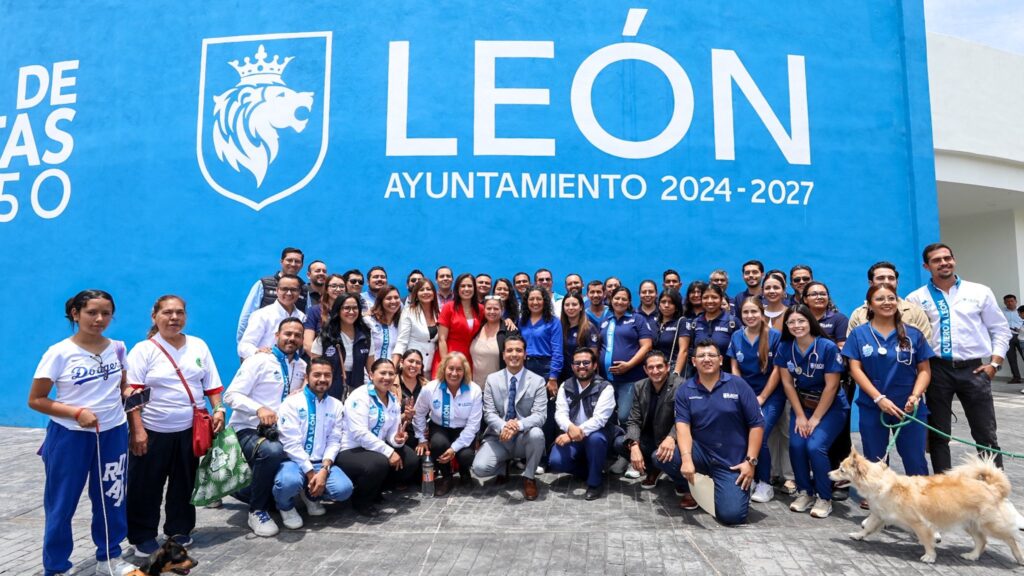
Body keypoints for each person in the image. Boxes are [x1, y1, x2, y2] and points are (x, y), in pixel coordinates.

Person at [29, 290, 136, 576]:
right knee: (62, 504)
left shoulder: (118, 348)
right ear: (75, 314)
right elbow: (36, 399)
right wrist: (76, 413)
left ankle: (109, 558)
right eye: (91, 312)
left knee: (112, 499)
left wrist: (129, 392)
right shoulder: (59, 353)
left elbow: (122, 384)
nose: (99, 319)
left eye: (106, 313)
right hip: (69, 437)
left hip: (113, 433)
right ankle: (56, 567)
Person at [124, 295, 225, 556]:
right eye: (167, 312)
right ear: (154, 316)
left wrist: (219, 409)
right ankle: (143, 535)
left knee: (184, 482)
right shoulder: (143, 350)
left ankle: (179, 529)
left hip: (190, 430)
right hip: (152, 430)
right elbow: (131, 394)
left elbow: (212, 384)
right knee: (145, 485)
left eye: (179, 312)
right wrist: (137, 430)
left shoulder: (198, 345)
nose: (174, 318)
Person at [906, 243, 1011, 473]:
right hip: (937, 371)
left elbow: (1000, 329)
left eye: (947, 258)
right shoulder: (916, 298)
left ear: (954, 260)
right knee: (938, 434)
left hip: (974, 370)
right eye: (937, 260)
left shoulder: (979, 292)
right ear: (926, 266)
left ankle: (993, 486)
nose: (944, 263)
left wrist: (994, 364)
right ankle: (944, 487)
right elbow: (910, 338)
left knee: (985, 433)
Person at [654, 339, 764, 525]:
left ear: (720, 360)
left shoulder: (738, 385)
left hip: (730, 461)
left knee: (732, 516)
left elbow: (757, 424)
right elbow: (683, 426)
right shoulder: (685, 390)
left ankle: (726, 488)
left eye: (711, 355)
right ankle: (690, 486)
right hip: (701, 453)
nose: (706, 359)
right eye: (701, 356)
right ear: (693, 361)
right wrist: (687, 460)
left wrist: (750, 462)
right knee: (661, 456)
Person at [223, 317, 307, 537]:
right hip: (248, 429)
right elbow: (230, 395)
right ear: (276, 336)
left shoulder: (302, 367)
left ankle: (283, 500)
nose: (292, 338)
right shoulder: (258, 361)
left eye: (297, 335)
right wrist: (258, 409)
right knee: (272, 451)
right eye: (287, 333)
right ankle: (257, 510)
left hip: (280, 431)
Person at [843, 284, 934, 480]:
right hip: (872, 406)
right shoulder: (859, 334)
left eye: (891, 298)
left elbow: (924, 370)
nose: (887, 302)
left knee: (915, 461)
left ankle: (921, 498)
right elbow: (855, 369)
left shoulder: (913, 334)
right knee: (874, 463)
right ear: (869, 305)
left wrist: (915, 396)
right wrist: (878, 398)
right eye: (880, 299)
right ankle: (877, 497)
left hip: (908, 408)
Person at [775, 305, 848, 519]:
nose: (796, 325)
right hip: (803, 405)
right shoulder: (785, 347)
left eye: (801, 321)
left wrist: (815, 419)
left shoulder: (827, 347)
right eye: (792, 322)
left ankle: (824, 497)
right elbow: (787, 384)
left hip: (831, 407)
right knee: (797, 445)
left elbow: (832, 386)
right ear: (786, 325)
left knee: (815, 447)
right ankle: (805, 492)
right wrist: (800, 415)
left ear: (810, 322)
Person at [272, 357, 353, 529]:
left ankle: (311, 496)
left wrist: (324, 469)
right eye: (317, 375)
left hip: (320, 463)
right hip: (293, 462)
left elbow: (334, 441)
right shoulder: (291, 402)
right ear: (307, 377)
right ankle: (285, 506)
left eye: (327, 375)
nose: (322, 379)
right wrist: (310, 473)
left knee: (344, 490)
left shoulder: (336, 405)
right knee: (289, 482)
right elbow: (290, 444)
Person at [337, 359, 418, 517]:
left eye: (391, 374)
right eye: (382, 373)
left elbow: (391, 433)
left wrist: (397, 439)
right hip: (351, 449)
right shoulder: (359, 396)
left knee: (410, 460)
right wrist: (389, 451)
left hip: (376, 448)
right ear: (371, 375)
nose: (387, 377)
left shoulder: (393, 399)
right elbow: (359, 433)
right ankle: (361, 500)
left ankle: (376, 489)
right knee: (379, 462)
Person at [472, 335, 548, 500]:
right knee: (479, 468)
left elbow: (540, 415)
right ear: (503, 355)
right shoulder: (492, 380)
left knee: (537, 434)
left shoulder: (538, 381)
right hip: (499, 437)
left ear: (525, 354)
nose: (514, 354)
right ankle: (503, 466)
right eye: (510, 350)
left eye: (518, 350)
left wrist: (517, 425)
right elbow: (489, 413)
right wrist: (504, 426)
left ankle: (529, 477)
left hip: (523, 437)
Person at [726, 297, 783, 503]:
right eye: (746, 312)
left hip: (770, 394)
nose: (750, 316)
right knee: (741, 433)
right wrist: (745, 396)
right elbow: (735, 368)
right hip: (745, 394)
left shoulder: (775, 336)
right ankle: (746, 476)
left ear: (762, 313)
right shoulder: (736, 336)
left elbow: (777, 370)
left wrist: (762, 397)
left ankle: (764, 482)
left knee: (760, 434)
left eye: (754, 312)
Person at [549, 347, 617, 500]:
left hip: (597, 433)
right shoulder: (565, 386)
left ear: (594, 365)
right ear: (572, 366)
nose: (581, 366)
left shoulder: (605, 387)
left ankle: (595, 483)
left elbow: (599, 419)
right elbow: (560, 413)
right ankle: (592, 470)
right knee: (555, 462)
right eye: (577, 363)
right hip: (572, 432)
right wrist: (570, 428)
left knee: (595, 439)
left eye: (586, 363)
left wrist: (572, 434)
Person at [413, 352, 483, 497]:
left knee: (466, 456)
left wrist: (453, 449)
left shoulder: (474, 390)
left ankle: (464, 472)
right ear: (443, 369)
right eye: (451, 368)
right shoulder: (430, 388)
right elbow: (418, 413)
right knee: (438, 444)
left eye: (459, 369)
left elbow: (473, 426)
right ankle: (446, 477)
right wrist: (422, 438)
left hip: (464, 429)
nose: (454, 373)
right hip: (439, 427)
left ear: (465, 371)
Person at [617, 351, 683, 487]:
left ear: (667, 367)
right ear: (645, 370)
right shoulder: (639, 386)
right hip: (649, 438)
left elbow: (684, 418)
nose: (655, 371)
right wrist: (633, 445)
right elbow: (634, 419)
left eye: (659, 366)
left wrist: (672, 437)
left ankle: (680, 479)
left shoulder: (681, 385)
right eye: (651, 367)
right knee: (619, 443)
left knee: (657, 456)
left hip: (673, 441)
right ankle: (653, 469)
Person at [598, 286, 653, 427]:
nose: (620, 302)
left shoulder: (637, 319)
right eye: (617, 298)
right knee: (607, 416)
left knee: (624, 416)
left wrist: (629, 365)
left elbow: (647, 346)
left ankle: (628, 440)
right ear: (611, 300)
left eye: (624, 299)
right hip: (606, 379)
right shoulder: (606, 320)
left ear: (629, 302)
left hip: (630, 378)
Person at [236, 247, 307, 344]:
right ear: (281, 261)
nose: (293, 264)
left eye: (297, 261)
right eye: (289, 260)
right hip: (262, 348)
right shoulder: (264, 284)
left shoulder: (305, 290)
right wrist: (244, 347)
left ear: (302, 265)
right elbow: (246, 317)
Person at [847, 261, 932, 339]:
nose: (887, 282)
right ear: (871, 283)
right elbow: (852, 346)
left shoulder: (915, 312)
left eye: (891, 278)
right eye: (881, 278)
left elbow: (925, 345)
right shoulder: (858, 315)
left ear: (897, 283)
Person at [238, 274, 306, 360]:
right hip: (264, 365)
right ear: (277, 290)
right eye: (284, 289)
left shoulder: (302, 317)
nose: (289, 293)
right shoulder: (262, 315)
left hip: (292, 366)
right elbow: (244, 346)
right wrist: (257, 352)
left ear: (299, 292)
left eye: (293, 290)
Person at [674, 284, 737, 376]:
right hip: (699, 377)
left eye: (714, 297)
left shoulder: (732, 322)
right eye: (705, 297)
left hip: (727, 377)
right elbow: (690, 351)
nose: (710, 301)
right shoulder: (695, 323)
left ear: (721, 299)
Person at [317, 293, 371, 399]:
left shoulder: (365, 336)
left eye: (355, 308)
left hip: (356, 389)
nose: (351, 312)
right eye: (346, 308)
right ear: (338, 310)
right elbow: (314, 366)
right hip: (329, 390)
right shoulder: (326, 335)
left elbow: (371, 369)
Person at [519, 286, 564, 402]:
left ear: (545, 301)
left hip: (545, 369)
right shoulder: (522, 321)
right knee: (525, 405)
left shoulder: (553, 322)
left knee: (545, 406)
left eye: (539, 299)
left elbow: (557, 351)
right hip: (524, 367)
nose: (535, 302)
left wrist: (553, 378)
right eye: (531, 299)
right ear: (526, 301)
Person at [434, 273, 483, 377]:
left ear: (474, 288)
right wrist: (446, 364)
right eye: (463, 286)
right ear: (457, 289)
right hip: (448, 355)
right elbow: (442, 339)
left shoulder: (480, 309)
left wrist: (508, 320)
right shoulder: (448, 307)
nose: (466, 289)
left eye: (470, 286)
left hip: (469, 359)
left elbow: (494, 320)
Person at [469, 296, 517, 388]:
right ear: (484, 310)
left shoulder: (509, 331)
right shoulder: (477, 327)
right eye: (488, 308)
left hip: (498, 388)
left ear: (502, 310)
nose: (492, 311)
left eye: (496, 309)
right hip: (474, 388)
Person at [393, 278, 440, 371]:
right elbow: (401, 342)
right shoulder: (408, 312)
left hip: (432, 368)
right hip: (411, 367)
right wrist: (393, 367)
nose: (425, 292)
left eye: (429, 289)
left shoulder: (438, 313)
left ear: (434, 293)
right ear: (416, 295)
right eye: (422, 290)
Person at [558, 292, 600, 382]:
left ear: (581, 307)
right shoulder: (559, 327)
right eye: (567, 305)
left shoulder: (589, 328)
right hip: (562, 376)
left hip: (582, 377)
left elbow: (592, 356)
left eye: (574, 304)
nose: (570, 308)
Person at [304, 273, 345, 354]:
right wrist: (319, 360)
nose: (338, 289)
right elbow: (307, 344)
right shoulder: (314, 311)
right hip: (320, 359)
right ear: (326, 289)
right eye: (333, 286)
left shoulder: (349, 311)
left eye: (341, 286)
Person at [395, 349, 427, 449]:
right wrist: (405, 416)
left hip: (423, 434)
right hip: (398, 433)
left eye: (418, 363)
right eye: (411, 361)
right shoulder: (391, 384)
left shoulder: (428, 386)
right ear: (401, 362)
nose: (414, 365)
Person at [365, 285, 402, 367]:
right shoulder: (369, 321)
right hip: (371, 372)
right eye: (389, 298)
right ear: (380, 301)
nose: (393, 301)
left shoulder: (401, 323)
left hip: (392, 371)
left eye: (396, 297)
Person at [651, 289, 685, 366]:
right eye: (663, 302)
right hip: (655, 367)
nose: (666, 305)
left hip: (673, 366)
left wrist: (677, 371)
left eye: (671, 302)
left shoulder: (681, 322)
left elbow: (684, 350)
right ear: (659, 305)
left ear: (676, 306)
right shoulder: (654, 323)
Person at [1003, 294, 1023, 384]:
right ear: (1004, 302)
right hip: (1008, 336)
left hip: (1021, 336)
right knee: (1011, 358)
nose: (1010, 303)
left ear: (1016, 301)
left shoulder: (1021, 311)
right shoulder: (1001, 312)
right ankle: (1016, 377)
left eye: (1011, 301)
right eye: (1007, 301)